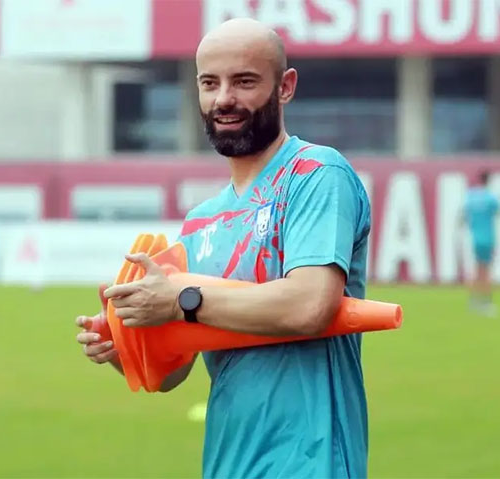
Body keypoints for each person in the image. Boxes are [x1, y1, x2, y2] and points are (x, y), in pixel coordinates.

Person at [74, 18, 372, 479]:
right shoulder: (201, 221)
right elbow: (173, 373)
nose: (223, 99)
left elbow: (310, 306)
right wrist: (124, 341)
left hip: (311, 463)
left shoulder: (316, 175)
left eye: (244, 81)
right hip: (227, 463)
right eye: (210, 83)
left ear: (285, 87)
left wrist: (181, 299)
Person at [461, 170, 500, 316]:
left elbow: (465, 215)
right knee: (486, 270)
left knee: (477, 269)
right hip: (488, 238)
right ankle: (486, 302)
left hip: (475, 237)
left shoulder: (471, 197)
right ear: (489, 180)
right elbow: (499, 210)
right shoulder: (490, 198)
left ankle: (473, 300)